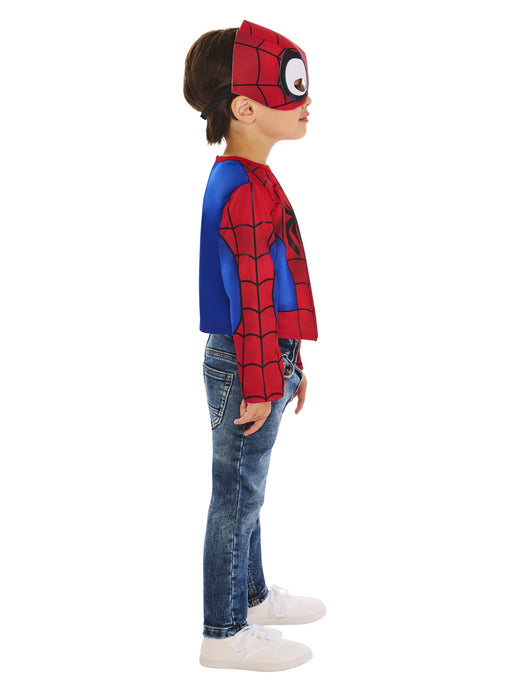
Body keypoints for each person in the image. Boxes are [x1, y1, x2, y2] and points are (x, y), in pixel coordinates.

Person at [183, 20, 325, 672]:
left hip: (263, 356)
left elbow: (272, 280)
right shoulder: (240, 187)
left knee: (249, 492)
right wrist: (265, 379)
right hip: (247, 360)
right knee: (235, 497)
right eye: (292, 89)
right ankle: (223, 632)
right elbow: (249, 296)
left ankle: (253, 597)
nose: (307, 101)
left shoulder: (251, 177)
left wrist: (292, 362)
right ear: (244, 107)